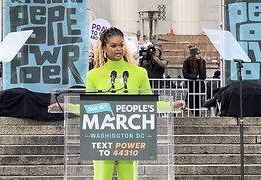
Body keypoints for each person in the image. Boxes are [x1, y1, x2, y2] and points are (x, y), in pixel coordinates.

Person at [48, 27, 185, 180]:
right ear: (104, 48)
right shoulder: (93, 75)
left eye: (121, 45)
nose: (119, 49)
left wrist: (171, 105)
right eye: (113, 46)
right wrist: (67, 106)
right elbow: (90, 108)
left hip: (130, 140)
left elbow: (148, 104)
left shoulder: (139, 73)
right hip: (102, 139)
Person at [182, 46, 206, 117]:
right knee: (191, 101)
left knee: (198, 101)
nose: (199, 55)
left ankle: (198, 115)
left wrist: (197, 76)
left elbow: (204, 75)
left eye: (199, 54)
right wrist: (196, 76)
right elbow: (186, 74)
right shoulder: (186, 62)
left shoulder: (202, 61)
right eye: (197, 54)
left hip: (200, 85)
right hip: (191, 85)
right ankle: (197, 115)